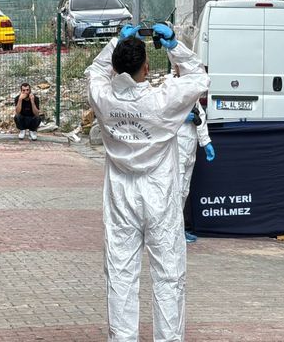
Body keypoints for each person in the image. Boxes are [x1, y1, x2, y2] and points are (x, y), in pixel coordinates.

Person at [85, 23, 209, 342]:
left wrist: (116, 41)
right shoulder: (162, 100)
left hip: (120, 195)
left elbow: (94, 72)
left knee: (121, 275)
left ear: (115, 67)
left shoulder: (103, 98)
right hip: (159, 192)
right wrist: (174, 46)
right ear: (146, 67)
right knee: (168, 276)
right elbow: (198, 77)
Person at [177, 100, 215, 243]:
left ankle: (178, 230)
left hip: (189, 149)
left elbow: (200, 118)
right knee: (176, 191)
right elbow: (161, 117)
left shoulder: (194, 97)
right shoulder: (172, 90)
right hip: (176, 148)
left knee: (184, 192)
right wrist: (180, 118)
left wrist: (206, 142)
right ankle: (172, 232)